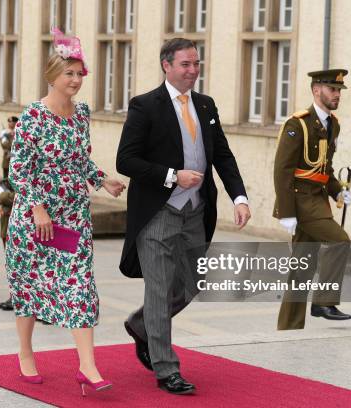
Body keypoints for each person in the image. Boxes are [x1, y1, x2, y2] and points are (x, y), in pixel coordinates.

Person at [116, 38, 251, 395]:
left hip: (196, 212)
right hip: (157, 213)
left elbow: (222, 155)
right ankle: (166, 369)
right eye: (185, 65)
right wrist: (172, 175)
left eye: (196, 64)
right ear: (167, 65)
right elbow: (125, 161)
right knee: (159, 290)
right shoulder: (145, 106)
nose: (192, 71)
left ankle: (141, 323)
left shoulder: (206, 105)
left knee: (190, 284)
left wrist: (239, 197)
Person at [5, 28, 125, 394]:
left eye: (80, 73)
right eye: (69, 73)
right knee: (28, 286)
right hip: (35, 219)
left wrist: (102, 179)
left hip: (73, 215)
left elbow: (79, 161)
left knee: (79, 285)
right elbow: (18, 170)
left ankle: (87, 366)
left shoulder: (82, 113)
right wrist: (39, 209)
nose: (76, 80)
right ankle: (25, 353)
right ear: (52, 74)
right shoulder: (32, 117)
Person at [274, 69, 351, 330]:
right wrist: (286, 212)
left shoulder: (333, 124)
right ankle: (324, 302)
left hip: (318, 199)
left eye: (339, 90)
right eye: (333, 89)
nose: (337, 95)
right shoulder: (298, 124)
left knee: (301, 269)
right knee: (340, 241)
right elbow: (283, 170)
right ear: (316, 90)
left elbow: (324, 168)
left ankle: (288, 329)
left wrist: (337, 190)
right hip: (301, 201)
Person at [0, 181, 15, 311]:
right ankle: (14, 296)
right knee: (11, 265)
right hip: (7, 222)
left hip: (17, 224)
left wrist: (4, 195)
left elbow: (14, 196)